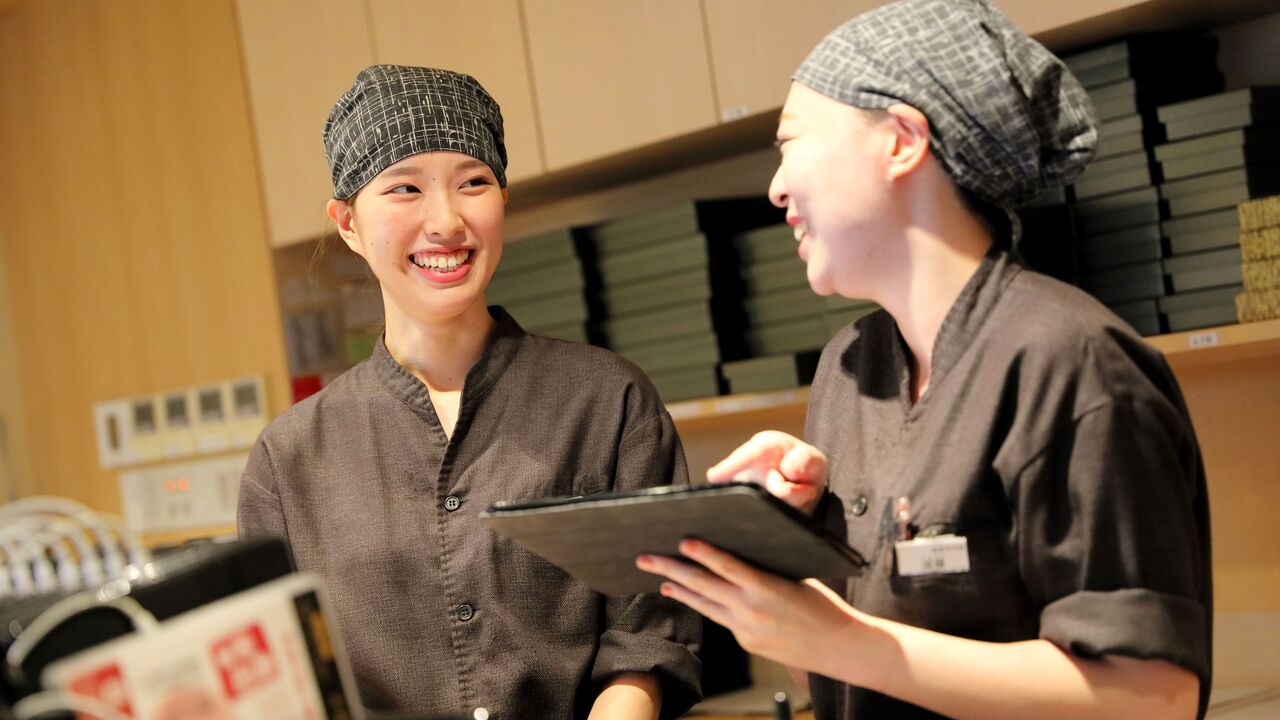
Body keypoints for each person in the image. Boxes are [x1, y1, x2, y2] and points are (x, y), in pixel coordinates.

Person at [636, 2, 1212, 719]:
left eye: (791, 143)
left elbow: (1153, 697)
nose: (776, 187)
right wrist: (783, 539)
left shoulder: (1071, 362)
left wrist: (848, 642)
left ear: (903, 140)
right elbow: (828, 675)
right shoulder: (851, 368)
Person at [238, 65, 701, 720]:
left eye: (473, 183)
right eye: (404, 188)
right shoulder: (287, 461)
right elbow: (279, 685)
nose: (446, 221)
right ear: (347, 223)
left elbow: (647, 636)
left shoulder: (606, 401)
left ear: (502, 201)